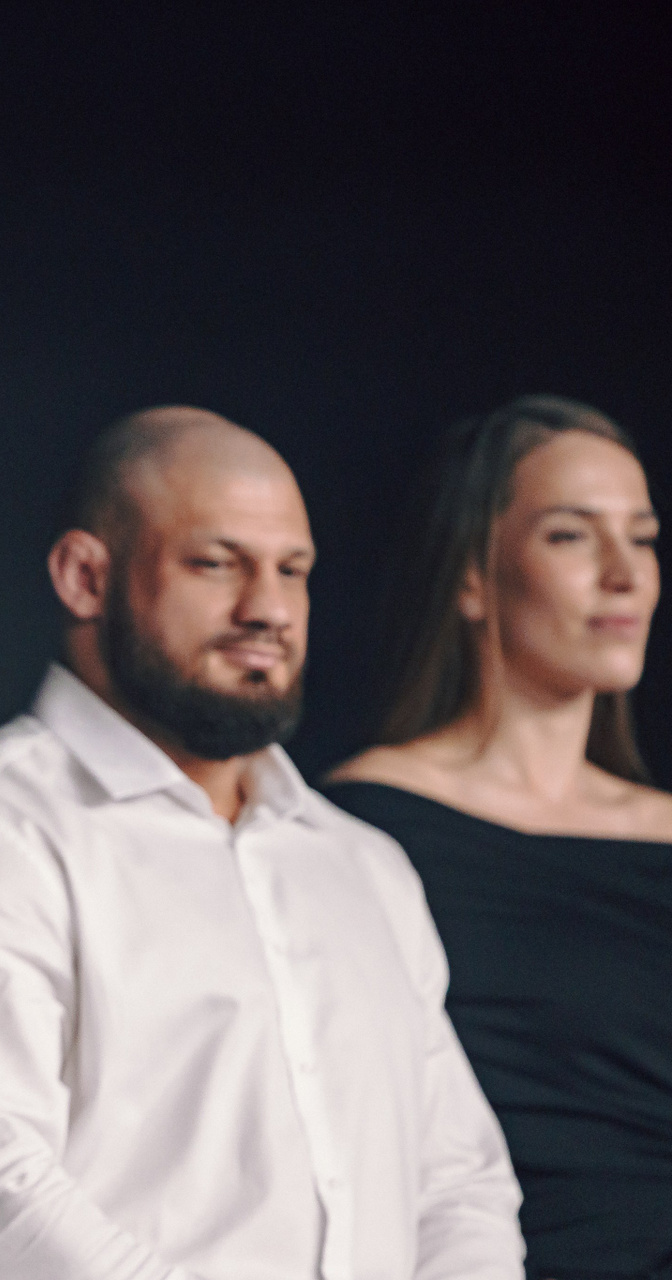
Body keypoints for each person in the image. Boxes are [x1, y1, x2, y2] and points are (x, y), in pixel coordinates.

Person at [0, 406, 525, 1279]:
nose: (268, 609)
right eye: (216, 563)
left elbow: (459, 1183)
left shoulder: (363, 867)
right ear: (85, 577)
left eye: (292, 570)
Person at [325, 395, 670, 1275]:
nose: (625, 575)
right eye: (572, 535)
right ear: (471, 576)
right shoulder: (362, 825)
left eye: (643, 537)